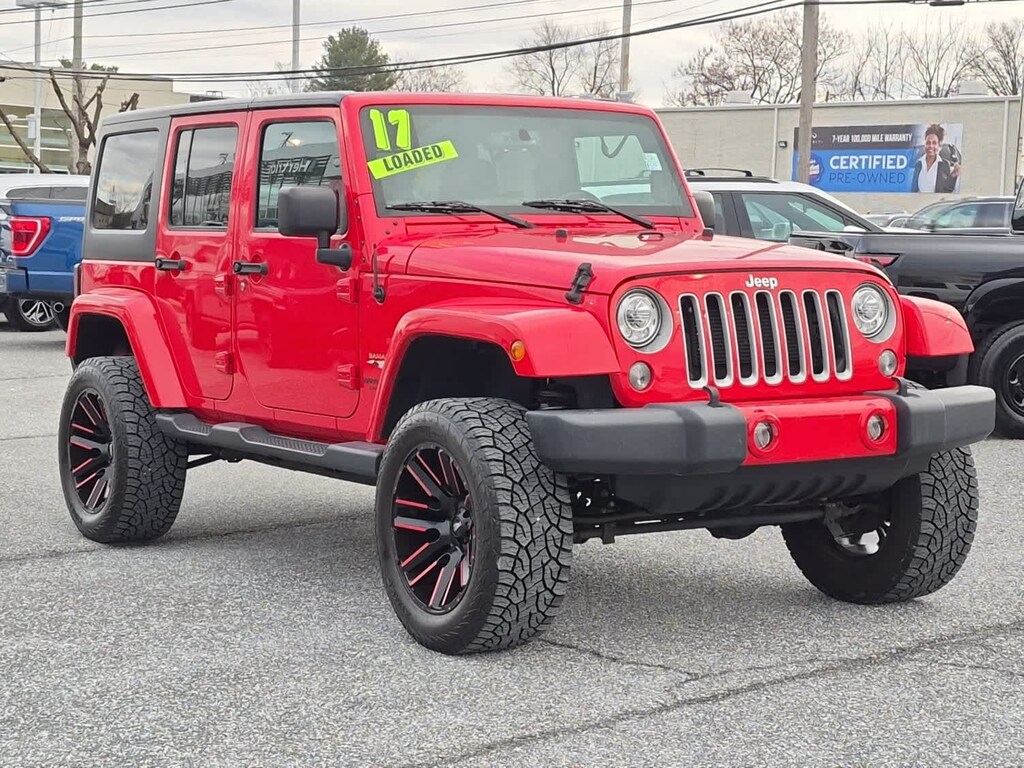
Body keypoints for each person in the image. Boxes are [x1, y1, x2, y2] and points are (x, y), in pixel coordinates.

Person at [912, 124, 960, 194]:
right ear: (924, 144)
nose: (930, 146)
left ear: (939, 145)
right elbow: (913, 189)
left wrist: (953, 178)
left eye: (934, 143)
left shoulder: (945, 165)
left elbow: (946, 191)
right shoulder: (918, 164)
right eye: (928, 143)